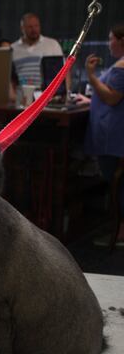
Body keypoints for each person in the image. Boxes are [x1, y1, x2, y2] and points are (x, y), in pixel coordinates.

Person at [74, 24, 124, 245]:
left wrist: (91, 76)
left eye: (111, 38)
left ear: (121, 40)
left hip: (113, 139)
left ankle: (119, 233)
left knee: (118, 186)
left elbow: (113, 98)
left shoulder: (122, 68)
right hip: (112, 137)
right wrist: (90, 99)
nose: (108, 43)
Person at [11, 13, 64, 89]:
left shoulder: (52, 45)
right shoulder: (13, 48)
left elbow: (64, 72)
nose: (34, 29)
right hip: (22, 95)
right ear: (22, 28)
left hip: (46, 94)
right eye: (30, 27)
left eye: (36, 26)